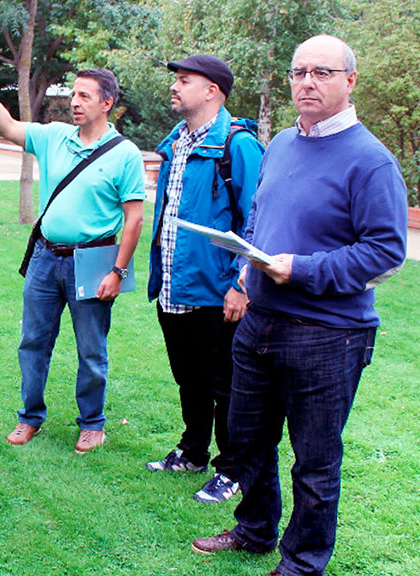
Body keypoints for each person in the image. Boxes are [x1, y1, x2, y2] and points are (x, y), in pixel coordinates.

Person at [191, 35, 408, 576]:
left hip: (328, 334)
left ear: (349, 81)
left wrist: (301, 269)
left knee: (314, 461)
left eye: (322, 73)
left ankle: (303, 563)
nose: (307, 82)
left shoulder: (372, 161)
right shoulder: (284, 143)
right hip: (260, 320)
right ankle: (256, 530)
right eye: (298, 72)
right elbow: (263, 221)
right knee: (247, 442)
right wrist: (244, 276)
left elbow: (386, 253)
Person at [0, 69, 145, 453]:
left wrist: (118, 271)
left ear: (107, 103)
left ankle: (92, 423)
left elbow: (135, 219)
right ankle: (29, 417)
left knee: (91, 348)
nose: (75, 102)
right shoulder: (54, 136)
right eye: (74, 95)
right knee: (33, 342)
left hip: (94, 259)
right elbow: (8, 127)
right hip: (46, 257)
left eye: (85, 96)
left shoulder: (125, 154)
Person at [145, 55, 264, 503]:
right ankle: (193, 451)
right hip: (175, 287)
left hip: (218, 293)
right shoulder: (175, 142)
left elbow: (258, 218)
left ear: (212, 90)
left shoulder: (238, 146)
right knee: (188, 378)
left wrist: (242, 283)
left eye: (185, 81)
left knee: (226, 385)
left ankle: (231, 469)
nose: (175, 87)